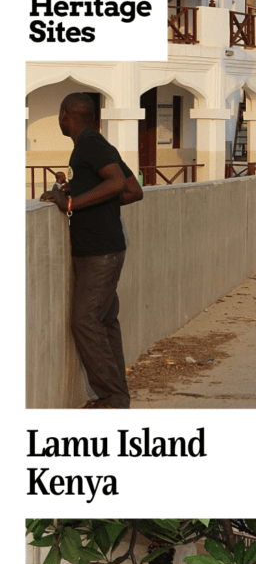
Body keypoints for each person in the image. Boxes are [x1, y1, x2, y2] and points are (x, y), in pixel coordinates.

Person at [40, 93, 143, 408]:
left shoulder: (89, 145)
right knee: (105, 320)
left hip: (100, 252)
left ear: (65, 115)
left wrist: (71, 203)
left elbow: (117, 184)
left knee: (84, 320)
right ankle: (117, 397)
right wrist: (79, 192)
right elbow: (132, 190)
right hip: (105, 249)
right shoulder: (97, 144)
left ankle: (111, 397)